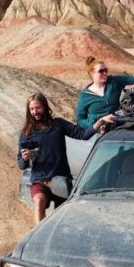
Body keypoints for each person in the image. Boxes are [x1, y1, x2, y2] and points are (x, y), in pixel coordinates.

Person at [19, 93, 114, 224]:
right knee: (39, 201)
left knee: (62, 220)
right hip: (40, 180)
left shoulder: (58, 125)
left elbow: (82, 134)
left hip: (61, 181)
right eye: (32, 109)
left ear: (45, 107)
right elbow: (22, 165)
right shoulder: (26, 133)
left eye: (38, 108)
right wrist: (24, 158)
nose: (35, 112)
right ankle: (38, 234)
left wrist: (100, 122)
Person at [75, 56, 134, 128]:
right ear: (92, 74)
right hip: (99, 132)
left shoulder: (114, 82)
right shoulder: (85, 96)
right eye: (101, 71)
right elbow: (80, 120)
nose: (105, 73)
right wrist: (94, 124)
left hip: (119, 125)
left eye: (106, 70)